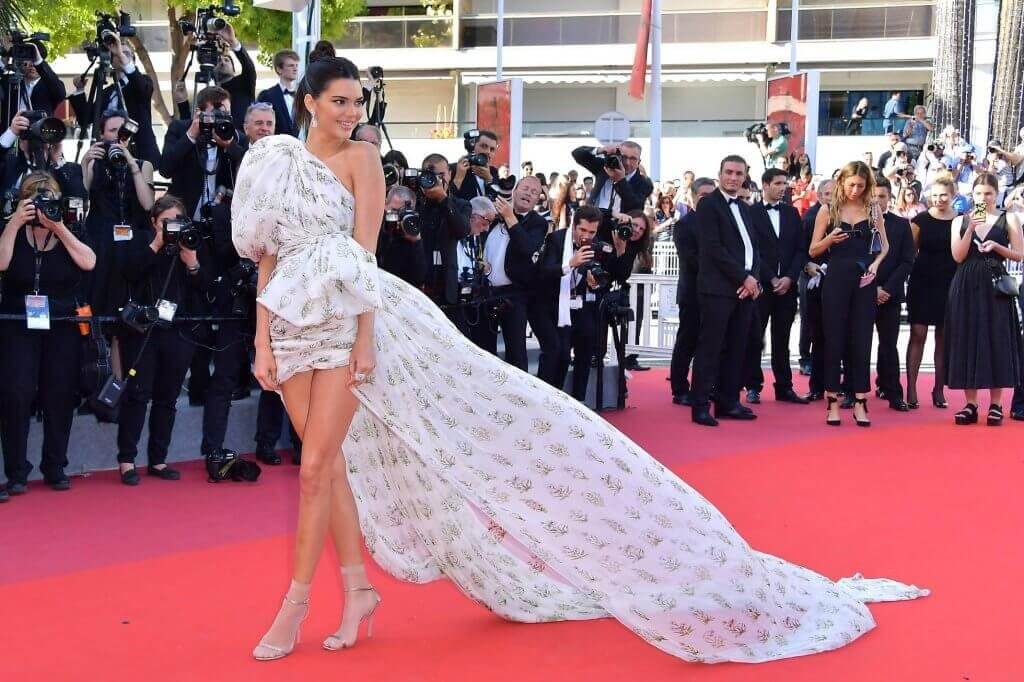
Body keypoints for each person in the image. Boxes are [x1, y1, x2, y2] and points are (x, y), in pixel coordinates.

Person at [233, 56, 926, 665]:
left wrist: (364, 339)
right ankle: (358, 590)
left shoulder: (360, 162)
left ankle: (294, 604)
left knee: (320, 464)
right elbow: (268, 250)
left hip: (349, 318)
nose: (353, 114)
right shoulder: (274, 162)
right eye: (340, 103)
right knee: (335, 465)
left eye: (359, 103)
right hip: (290, 319)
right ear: (308, 105)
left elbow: (362, 255)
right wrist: (262, 336)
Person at [0, 172, 96, 496]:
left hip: (62, 324)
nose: (42, 209)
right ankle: (16, 471)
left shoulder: (70, 228)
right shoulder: (10, 228)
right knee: (16, 393)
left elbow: (89, 262)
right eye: (35, 202)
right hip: (17, 323)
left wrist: (59, 227)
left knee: (60, 393)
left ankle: (55, 466)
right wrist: (14, 224)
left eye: (48, 201)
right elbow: (1, 263)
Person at [809, 161, 889, 426]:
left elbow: (884, 247)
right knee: (834, 339)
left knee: (862, 340)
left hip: (864, 279)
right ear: (842, 182)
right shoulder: (827, 209)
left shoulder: (873, 208)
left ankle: (860, 401)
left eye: (861, 185)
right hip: (835, 279)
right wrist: (830, 240)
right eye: (851, 184)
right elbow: (812, 251)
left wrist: (875, 267)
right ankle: (832, 400)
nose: (856, 189)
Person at [944, 173, 1024, 426]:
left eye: (988, 193)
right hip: (966, 283)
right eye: (978, 193)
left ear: (997, 193)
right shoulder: (960, 221)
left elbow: (1019, 254)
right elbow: (957, 255)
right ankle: (970, 404)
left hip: (996, 285)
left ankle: (996, 404)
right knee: (967, 337)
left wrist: (997, 247)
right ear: (972, 195)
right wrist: (971, 229)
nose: (983, 198)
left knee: (996, 337)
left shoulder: (1008, 218)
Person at [690, 156, 761, 426]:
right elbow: (713, 249)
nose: (733, 177)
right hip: (718, 290)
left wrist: (752, 277)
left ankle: (727, 401)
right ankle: (699, 405)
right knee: (710, 349)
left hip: (744, 290)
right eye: (728, 172)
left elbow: (753, 247)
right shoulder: (709, 205)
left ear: (744, 176)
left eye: (738, 173)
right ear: (719, 174)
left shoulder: (744, 208)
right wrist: (744, 277)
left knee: (736, 348)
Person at [743, 168, 808, 405]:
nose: (783, 187)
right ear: (765, 184)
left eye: (785, 183)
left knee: (783, 339)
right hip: (761, 286)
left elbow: (801, 249)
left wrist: (790, 277)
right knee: (754, 338)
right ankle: (752, 386)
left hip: (787, 288)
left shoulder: (792, 213)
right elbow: (753, 251)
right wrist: (771, 278)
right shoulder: (751, 213)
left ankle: (784, 387)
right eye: (779, 183)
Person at [531, 205, 604, 400]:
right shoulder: (556, 239)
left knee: (574, 352)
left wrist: (594, 284)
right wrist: (570, 263)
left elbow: (601, 279)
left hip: (575, 307)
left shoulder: (595, 245)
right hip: (546, 305)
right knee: (555, 352)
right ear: (574, 225)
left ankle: (568, 401)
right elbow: (544, 272)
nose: (586, 235)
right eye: (582, 230)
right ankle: (543, 399)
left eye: (592, 232)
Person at [906, 177, 958, 408]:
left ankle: (939, 389)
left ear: (953, 195)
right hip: (922, 281)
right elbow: (909, 253)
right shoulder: (919, 220)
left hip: (951, 282)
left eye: (944, 195)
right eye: (935, 195)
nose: (939, 199)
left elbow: (981, 219)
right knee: (918, 333)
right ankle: (911, 388)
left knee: (944, 338)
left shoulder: (961, 220)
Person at [68, 36, 159, 166]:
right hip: (108, 154)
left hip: (138, 151)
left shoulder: (143, 82)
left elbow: (142, 89)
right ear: (111, 61)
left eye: (126, 53)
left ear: (132, 60)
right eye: (116, 53)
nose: (120, 54)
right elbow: (86, 119)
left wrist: (121, 54)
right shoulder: (107, 92)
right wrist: (80, 91)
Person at [870, 176, 916, 411]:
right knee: (857, 343)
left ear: (889, 198)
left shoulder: (901, 225)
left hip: (891, 295)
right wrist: (873, 287)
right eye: (874, 196)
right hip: (862, 293)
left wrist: (887, 289)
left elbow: (907, 261)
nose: (877, 201)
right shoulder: (857, 224)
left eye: (882, 196)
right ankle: (851, 391)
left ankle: (893, 393)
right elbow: (856, 259)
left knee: (889, 345)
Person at [257, 50, 301, 138]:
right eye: (291, 65)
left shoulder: (301, 96)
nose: (295, 69)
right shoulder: (267, 95)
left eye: (296, 65)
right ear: (279, 69)